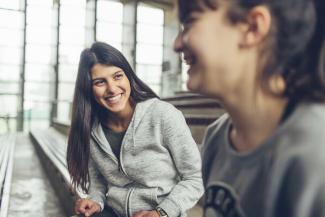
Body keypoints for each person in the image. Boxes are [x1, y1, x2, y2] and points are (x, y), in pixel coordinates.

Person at [174, 0, 325, 217]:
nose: (177, 44)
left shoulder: (315, 152)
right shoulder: (216, 137)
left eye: (189, 22)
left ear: (252, 27)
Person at [67, 42, 203, 217]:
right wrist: (95, 201)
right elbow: (98, 183)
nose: (112, 88)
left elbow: (195, 178)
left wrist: (161, 212)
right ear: (88, 88)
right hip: (114, 212)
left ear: (128, 76)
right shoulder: (91, 129)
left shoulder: (163, 115)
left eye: (117, 76)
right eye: (100, 82)